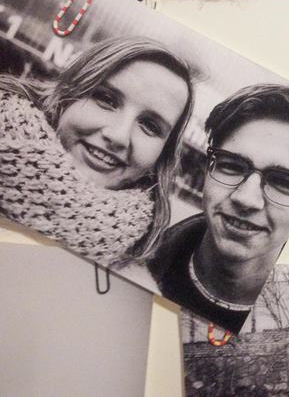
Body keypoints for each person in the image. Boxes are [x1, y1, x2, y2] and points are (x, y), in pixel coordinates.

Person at [148, 84, 289, 332]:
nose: (246, 199)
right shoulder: (139, 266)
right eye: (231, 166)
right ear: (208, 168)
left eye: (283, 182)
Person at [0, 37, 193, 266]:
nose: (118, 136)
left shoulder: (135, 279)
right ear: (66, 96)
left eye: (150, 126)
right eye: (107, 100)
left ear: (161, 156)